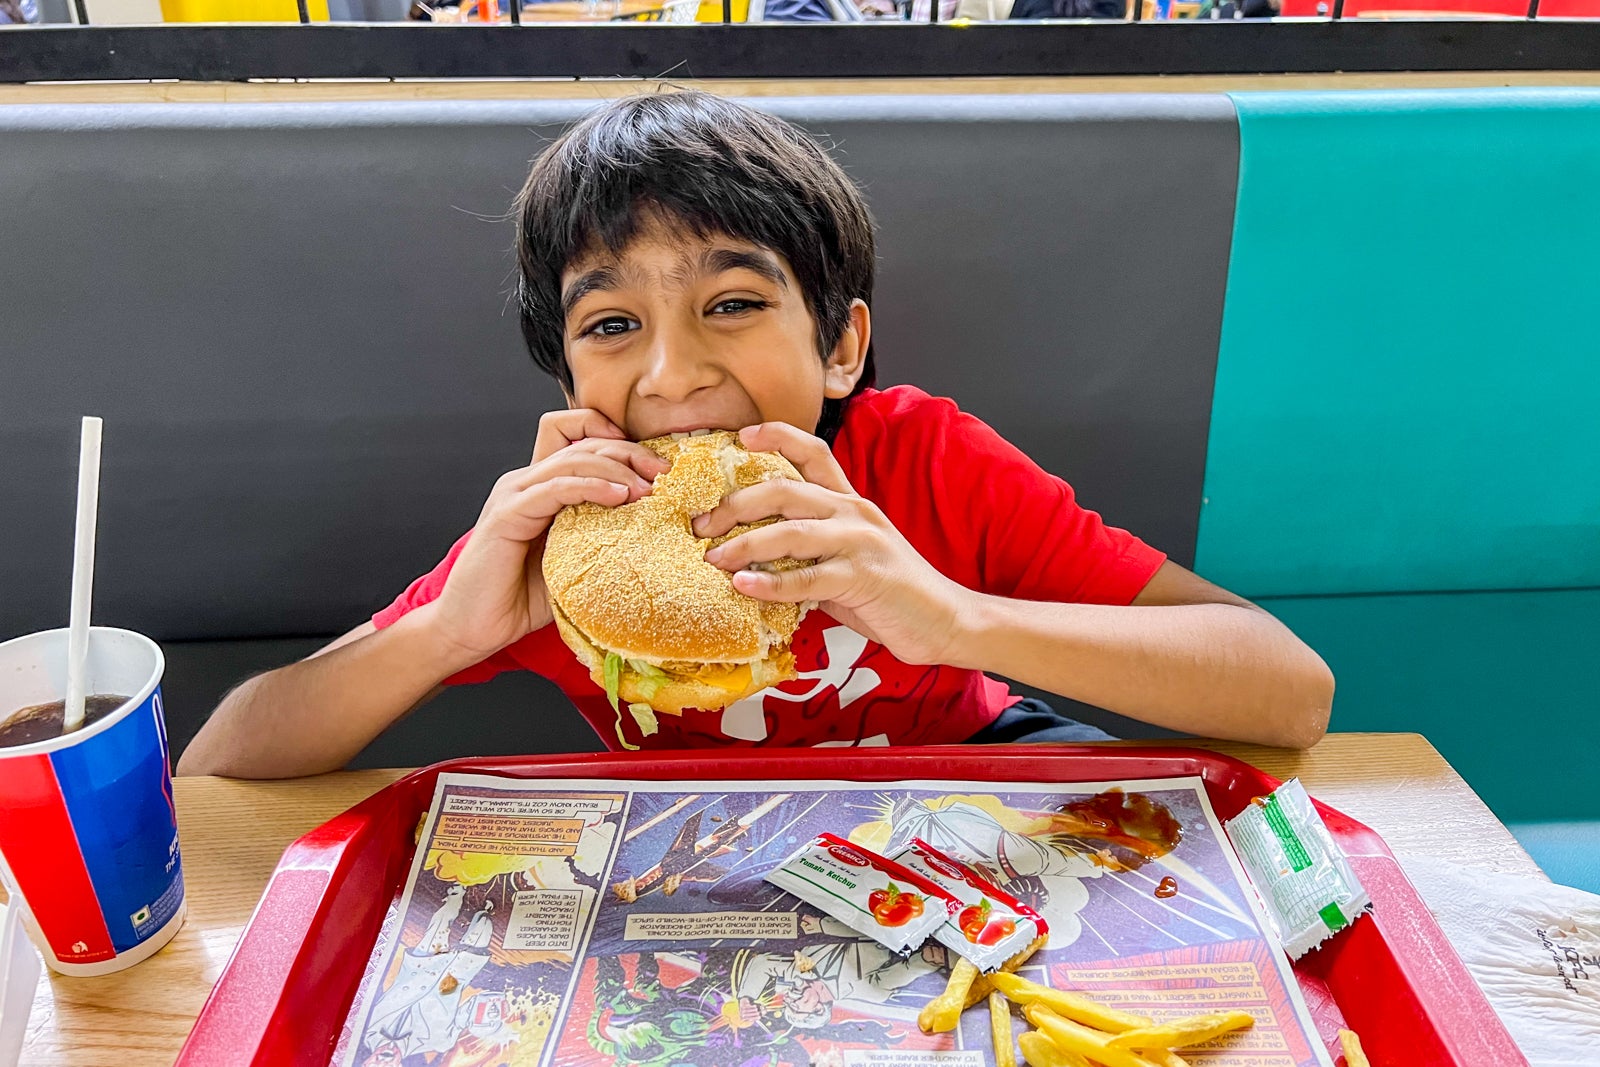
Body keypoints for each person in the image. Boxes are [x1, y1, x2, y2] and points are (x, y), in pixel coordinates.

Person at [178, 91, 1333, 779]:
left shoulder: (923, 457)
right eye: (614, 322)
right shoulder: (563, 521)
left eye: (732, 303)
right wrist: (444, 631)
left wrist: (954, 616)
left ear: (840, 345)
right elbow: (227, 761)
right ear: (571, 373)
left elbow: (1289, 692)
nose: (674, 373)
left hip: (980, 784)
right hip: (694, 852)